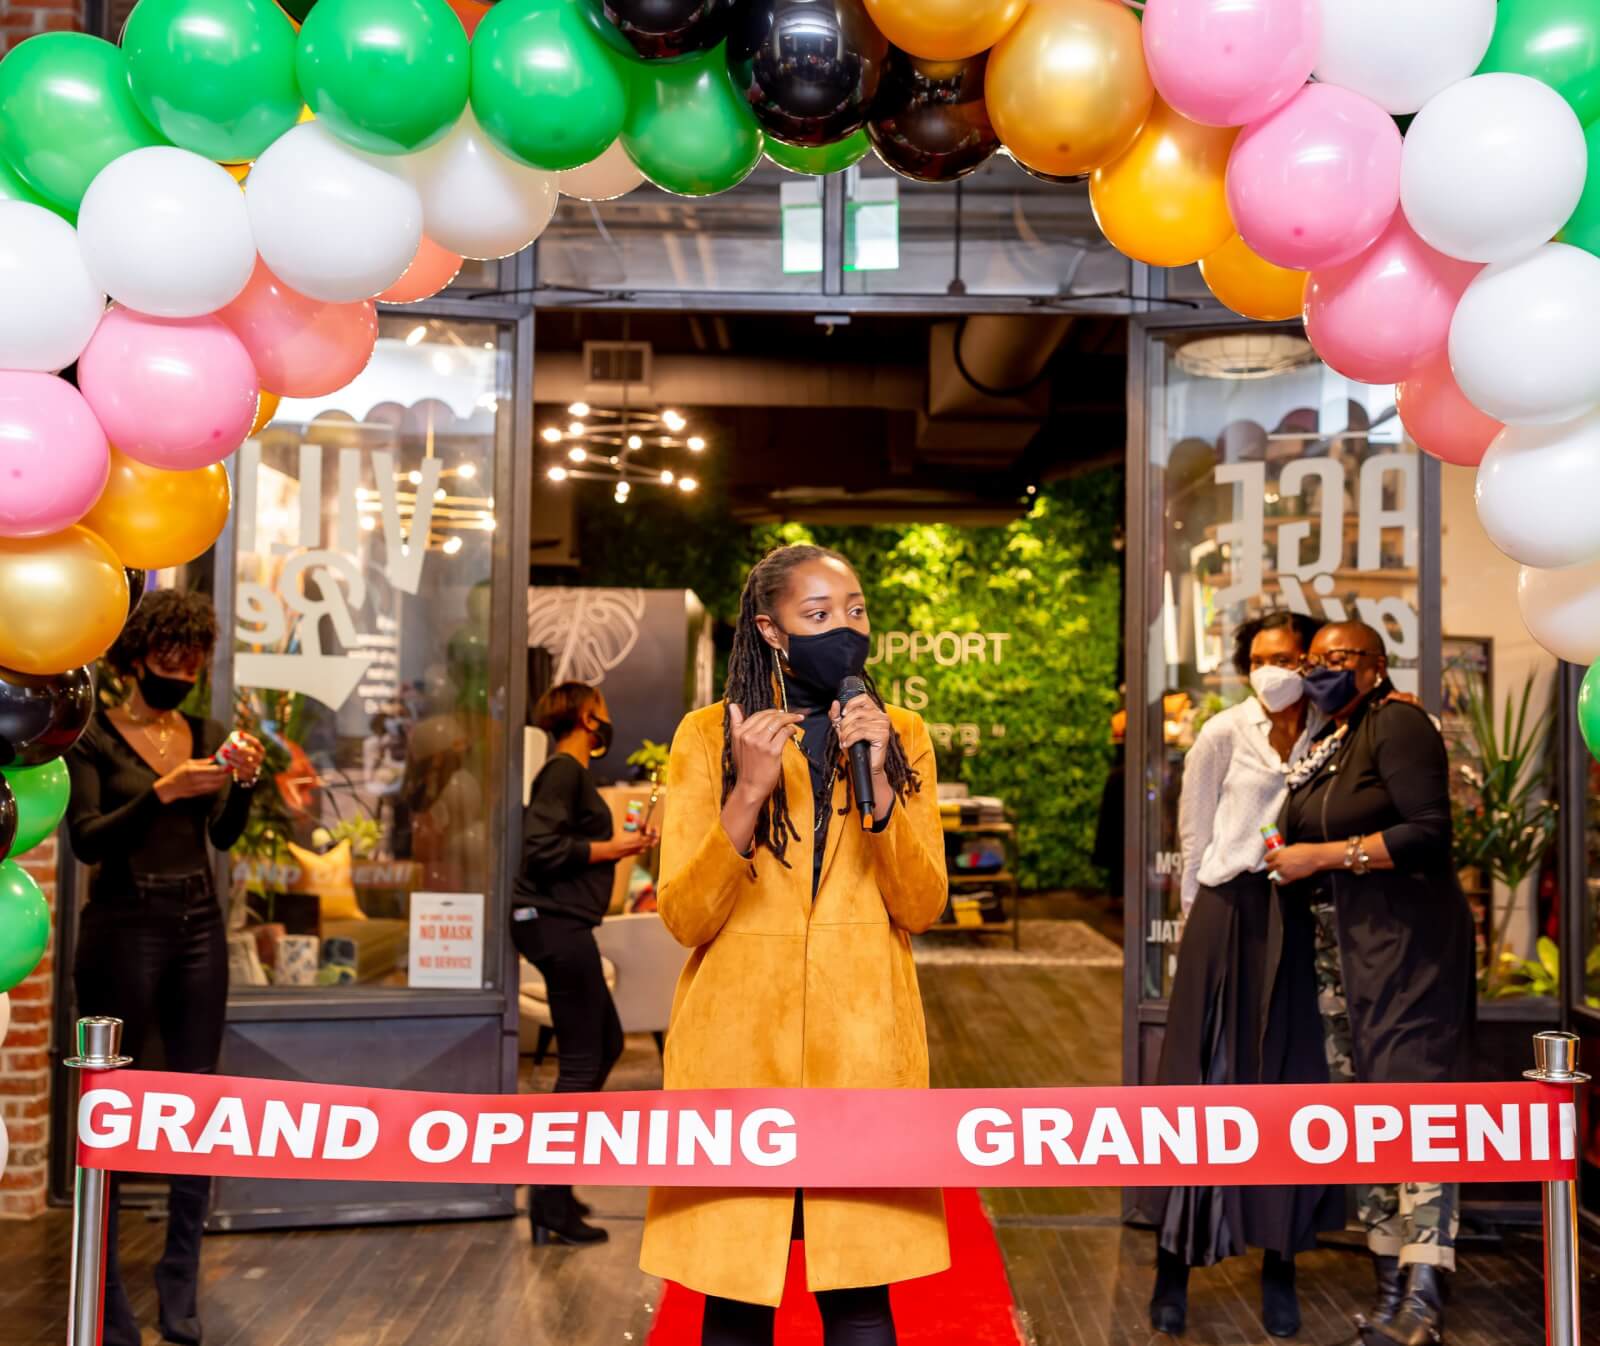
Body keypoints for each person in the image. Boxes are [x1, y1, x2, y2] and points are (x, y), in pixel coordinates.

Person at [639, 542, 950, 1346]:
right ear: (772, 631)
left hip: (863, 1055)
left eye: (854, 612)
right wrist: (748, 791)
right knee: (736, 1297)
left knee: (860, 1299)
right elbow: (683, 916)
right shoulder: (708, 736)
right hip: (738, 1060)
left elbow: (921, 905)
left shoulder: (900, 735)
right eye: (818, 616)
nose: (843, 630)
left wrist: (878, 780)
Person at [65, 589, 265, 1346]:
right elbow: (88, 840)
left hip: (197, 924)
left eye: (193, 663)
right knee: (111, 1112)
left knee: (196, 1106)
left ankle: (179, 1286)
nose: (179, 674)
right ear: (137, 659)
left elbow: (224, 836)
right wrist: (161, 792)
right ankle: (106, 1299)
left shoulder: (206, 732)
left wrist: (240, 784)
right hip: (123, 924)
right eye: (167, 661)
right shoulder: (95, 738)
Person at [1268, 621, 1475, 1346]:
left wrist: (1321, 855)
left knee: (1415, 1112)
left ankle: (1423, 1301)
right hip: (1343, 959)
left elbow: (1428, 831)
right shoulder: (1330, 738)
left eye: (1339, 658)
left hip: (1409, 952)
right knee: (1370, 1120)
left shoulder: (1399, 723)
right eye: (1313, 659)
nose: (1322, 669)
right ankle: (1388, 1292)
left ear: (1375, 666)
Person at [1144, 612, 1343, 1338]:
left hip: (1298, 918)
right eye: (1260, 657)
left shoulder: (1334, 732)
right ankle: (1173, 1266)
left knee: (1288, 1086)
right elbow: (1194, 836)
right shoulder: (1222, 733)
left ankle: (1280, 1264)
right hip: (1227, 915)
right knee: (1204, 1085)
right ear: (1243, 665)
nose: (1273, 668)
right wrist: (1200, 932)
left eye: (1287, 656)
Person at [512, 681, 655, 1246]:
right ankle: (549, 1198)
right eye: (603, 706)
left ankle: (554, 1190)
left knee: (606, 1043)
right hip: (552, 924)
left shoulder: (568, 774)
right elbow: (539, 847)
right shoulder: (562, 773)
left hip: (564, 925)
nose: (609, 715)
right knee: (582, 1058)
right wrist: (613, 849)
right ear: (584, 715)